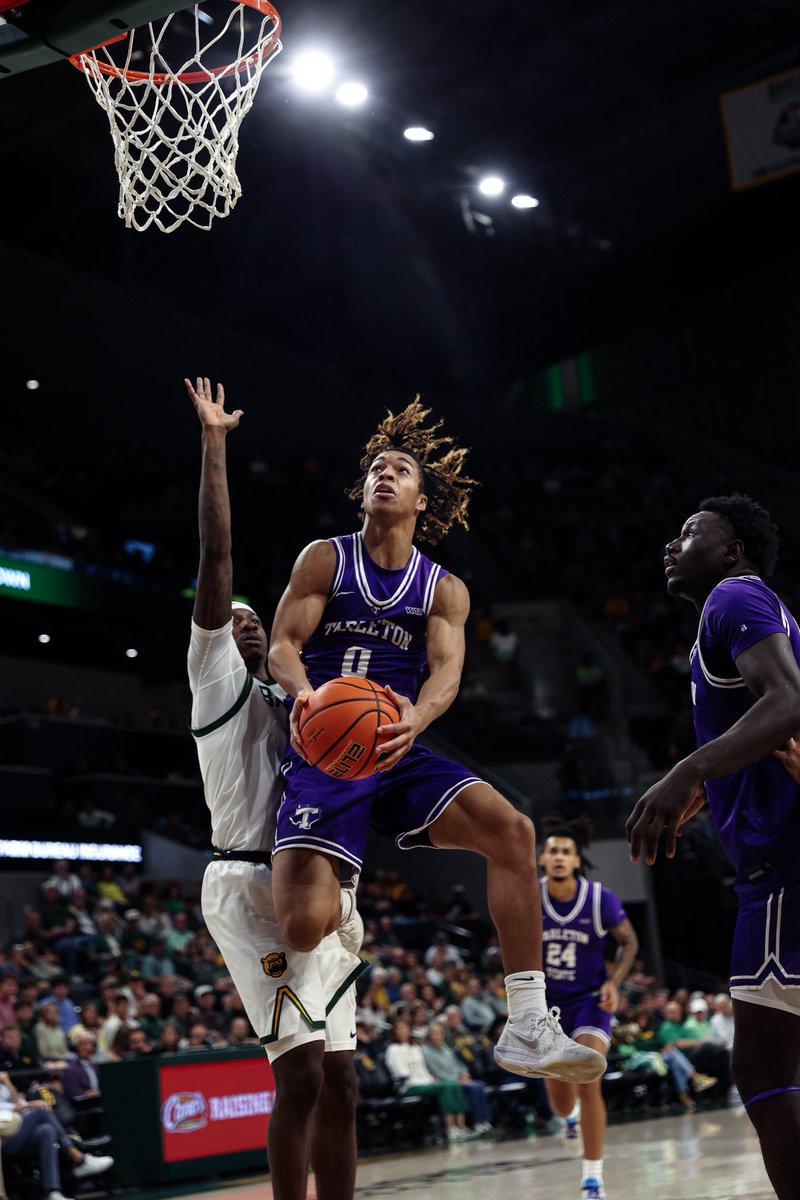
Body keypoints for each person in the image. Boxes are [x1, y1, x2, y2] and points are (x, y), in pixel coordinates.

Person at [267, 397, 604, 1085]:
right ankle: (342, 896)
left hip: (393, 745)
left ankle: (526, 1022)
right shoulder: (325, 559)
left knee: (513, 830)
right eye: (376, 469)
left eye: (400, 470)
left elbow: (447, 674)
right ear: (362, 490)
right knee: (303, 928)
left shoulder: (443, 588)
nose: (384, 475)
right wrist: (305, 696)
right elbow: (282, 646)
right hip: (326, 752)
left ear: (423, 500)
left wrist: (415, 721)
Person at [185, 377, 365, 1200]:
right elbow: (217, 561)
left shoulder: (302, 704)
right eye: (236, 617)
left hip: (315, 879)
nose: (248, 620)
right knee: (299, 1077)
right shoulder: (215, 683)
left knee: (344, 1083)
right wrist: (215, 446)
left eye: (259, 616)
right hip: (249, 884)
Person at [625, 493, 800, 1200]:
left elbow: (789, 699)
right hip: (775, 867)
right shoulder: (737, 616)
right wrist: (714, 778)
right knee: (764, 1069)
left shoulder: (735, 596)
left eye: (690, 532)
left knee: (763, 1070)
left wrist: (687, 771)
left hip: (785, 866)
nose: (673, 544)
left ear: (733, 551)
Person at [538, 817, 638, 1200]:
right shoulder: (529, 896)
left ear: (577, 860)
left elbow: (628, 942)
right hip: (546, 1006)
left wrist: (614, 982)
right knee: (560, 1100)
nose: (559, 857)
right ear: (542, 858)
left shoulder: (599, 899)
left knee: (588, 1073)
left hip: (589, 1001)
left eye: (566, 851)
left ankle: (592, 1179)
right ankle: (569, 1118)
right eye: (553, 851)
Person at [0, 1070, 112, 1200]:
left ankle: (51, 1192)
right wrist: (29, 1105)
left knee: (46, 1130)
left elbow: (19, 1104)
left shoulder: (2, 1084)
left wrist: (8, 1083)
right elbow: (8, 1109)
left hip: (17, 1132)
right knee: (41, 1110)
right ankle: (78, 1157)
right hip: (4, 1138)